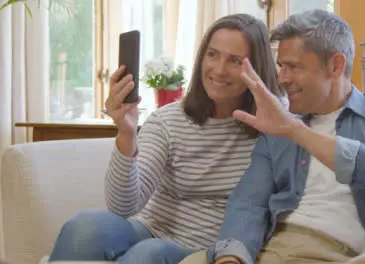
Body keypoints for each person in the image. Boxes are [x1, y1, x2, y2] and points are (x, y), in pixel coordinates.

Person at [180, 9, 365, 264]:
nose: (282, 78)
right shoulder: (280, 126)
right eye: (281, 66)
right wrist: (231, 257)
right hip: (271, 249)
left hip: (341, 254)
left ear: (336, 65)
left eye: (294, 67)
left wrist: (296, 131)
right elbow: (248, 202)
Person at [48, 13, 283, 264]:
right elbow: (123, 207)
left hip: (204, 246)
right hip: (149, 228)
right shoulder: (169, 120)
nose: (219, 69)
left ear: (257, 69)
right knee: (85, 226)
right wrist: (127, 134)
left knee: (149, 254)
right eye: (212, 54)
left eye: (235, 61)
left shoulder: (274, 124)